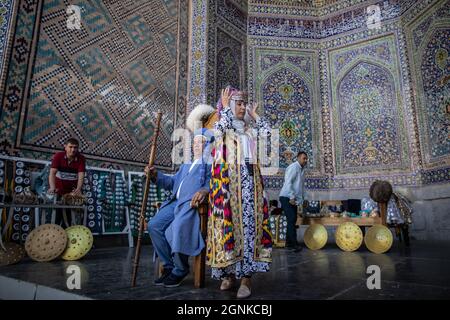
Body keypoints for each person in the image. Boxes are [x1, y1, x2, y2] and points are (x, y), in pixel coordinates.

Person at [207, 86, 272, 299]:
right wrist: (225, 109)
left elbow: (268, 135)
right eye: (239, 103)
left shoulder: (249, 131)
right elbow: (217, 135)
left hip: (249, 188)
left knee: (248, 231)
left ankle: (246, 279)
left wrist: (255, 116)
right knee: (229, 230)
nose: (243, 107)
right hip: (227, 189)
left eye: (244, 103)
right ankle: (228, 275)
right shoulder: (221, 125)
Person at [146, 128, 213, 288]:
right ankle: (169, 266)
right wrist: (156, 175)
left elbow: (215, 183)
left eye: (201, 142)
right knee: (153, 225)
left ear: (208, 145)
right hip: (174, 203)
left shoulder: (211, 164)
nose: (197, 145)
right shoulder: (186, 165)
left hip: (191, 205)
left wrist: (205, 190)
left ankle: (180, 269)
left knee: (176, 227)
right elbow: (171, 183)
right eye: (195, 142)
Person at [48, 138, 86, 227]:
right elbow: (52, 173)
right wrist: (52, 187)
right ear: (65, 147)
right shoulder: (58, 156)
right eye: (70, 147)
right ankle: (56, 237)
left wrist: (78, 189)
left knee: (68, 217)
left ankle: (66, 236)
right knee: (57, 216)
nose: (73, 150)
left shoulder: (81, 158)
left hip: (71, 192)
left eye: (75, 147)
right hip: (58, 190)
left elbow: (81, 174)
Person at [279, 151, 308, 251]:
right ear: (298, 158)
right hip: (286, 197)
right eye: (304, 158)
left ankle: (288, 243)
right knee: (291, 219)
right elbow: (288, 182)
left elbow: (300, 187)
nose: (305, 160)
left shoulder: (301, 170)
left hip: (292, 198)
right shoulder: (294, 167)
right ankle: (294, 244)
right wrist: (291, 197)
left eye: (306, 159)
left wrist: (301, 200)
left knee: (292, 220)